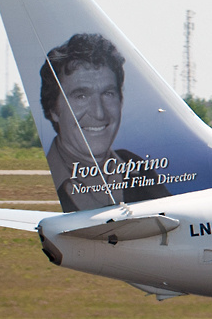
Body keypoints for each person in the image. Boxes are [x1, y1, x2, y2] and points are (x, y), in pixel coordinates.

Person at [39, 33, 169, 211]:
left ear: (120, 101)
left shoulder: (137, 168)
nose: (99, 113)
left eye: (108, 94)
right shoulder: (46, 182)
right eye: (81, 96)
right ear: (53, 109)